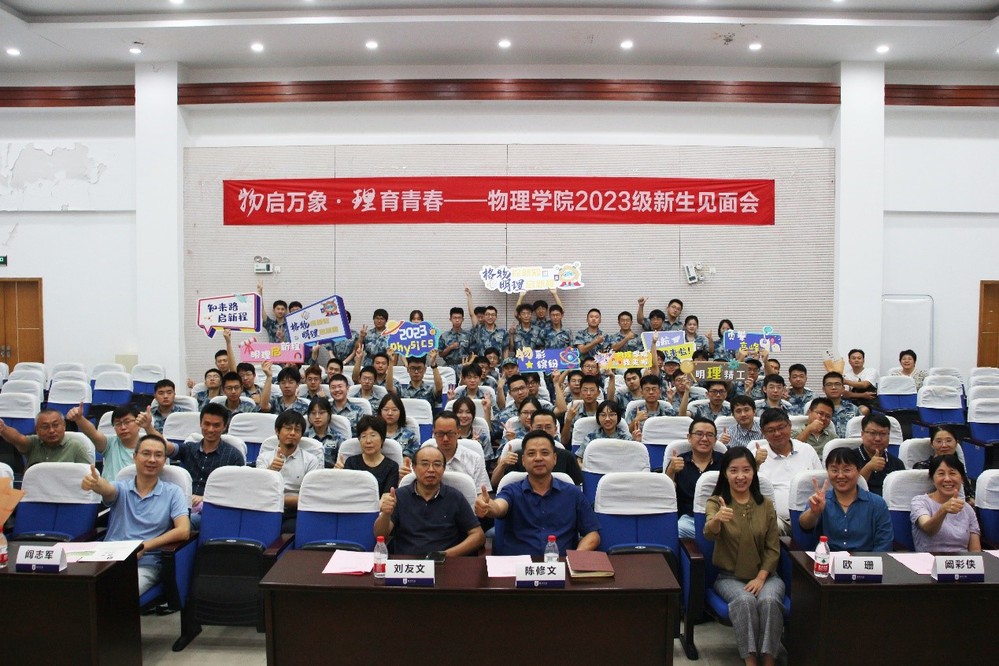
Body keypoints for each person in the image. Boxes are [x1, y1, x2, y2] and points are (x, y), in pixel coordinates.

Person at [80, 434, 190, 595]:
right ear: (135, 457)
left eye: (158, 455)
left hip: (145, 563)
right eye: (146, 453)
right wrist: (97, 484)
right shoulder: (121, 487)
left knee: (117, 593)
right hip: (108, 559)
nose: (152, 460)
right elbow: (108, 489)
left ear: (165, 460)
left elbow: (183, 530)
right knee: (78, 589)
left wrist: (143, 547)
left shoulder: (173, 492)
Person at [704, 446, 783, 666]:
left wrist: (761, 577)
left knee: (769, 600)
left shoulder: (765, 504)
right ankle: (750, 661)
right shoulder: (716, 502)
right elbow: (709, 532)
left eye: (746, 470)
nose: (740, 476)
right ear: (725, 473)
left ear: (754, 472)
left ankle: (769, 660)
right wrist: (718, 519)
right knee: (745, 601)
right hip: (729, 577)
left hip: (767, 575)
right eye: (734, 470)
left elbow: (773, 548)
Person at [475, 430, 600, 556]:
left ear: (554, 458)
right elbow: (498, 506)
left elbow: (592, 534)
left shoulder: (573, 493)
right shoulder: (511, 490)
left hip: (561, 565)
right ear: (523, 460)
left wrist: (574, 558)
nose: (538, 458)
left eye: (545, 453)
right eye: (531, 453)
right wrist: (488, 506)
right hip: (517, 565)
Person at [373, 445, 485, 557]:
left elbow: (478, 535)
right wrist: (385, 515)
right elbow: (380, 535)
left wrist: (446, 555)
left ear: (444, 468)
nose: (431, 470)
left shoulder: (455, 497)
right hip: (407, 562)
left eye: (437, 464)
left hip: (444, 562)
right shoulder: (399, 496)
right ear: (414, 467)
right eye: (424, 464)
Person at [798, 447, 893, 552]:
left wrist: (872, 561)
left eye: (847, 470)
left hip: (866, 560)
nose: (840, 476)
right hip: (828, 559)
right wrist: (814, 513)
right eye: (834, 470)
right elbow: (804, 526)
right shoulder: (820, 500)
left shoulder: (877, 503)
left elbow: (884, 543)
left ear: (858, 471)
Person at [170, 403, 244, 529]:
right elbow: (166, 448)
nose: (210, 429)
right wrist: (149, 428)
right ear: (200, 423)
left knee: (183, 522)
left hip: (212, 508)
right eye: (207, 424)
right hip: (183, 504)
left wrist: (205, 498)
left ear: (225, 427)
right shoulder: (189, 448)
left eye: (216, 425)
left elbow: (235, 492)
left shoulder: (234, 456)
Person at [757, 409, 822, 535]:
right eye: (771, 430)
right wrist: (756, 464)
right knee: (769, 523)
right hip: (778, 520)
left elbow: (820, 483)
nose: (777, 433)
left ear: (790, 426)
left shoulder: (807, 450)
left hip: (810, 515)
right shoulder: (757, 455)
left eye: (781, 428)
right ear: (762, 432)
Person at [256, 410, 322, 532]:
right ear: (277, 431)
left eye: (297, 430)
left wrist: (280, 500)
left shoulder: (311, 460)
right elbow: (259, 491)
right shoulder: (264, 458)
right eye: (288, 428)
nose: (292, 433)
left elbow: (311, 497)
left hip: (296, 512)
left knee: (289, 530)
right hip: (267, 509)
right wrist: (271, 471)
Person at [491, 409, 582, 487]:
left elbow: (577, 487)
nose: (544, 431)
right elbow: (495, 484)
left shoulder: (567, 457)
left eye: (548, 427)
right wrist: (502, 464)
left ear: (555, 429)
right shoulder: (517, 456)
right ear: (531, 429)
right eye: (539, 427)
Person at [910, 454, 981, 553]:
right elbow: (928, 529)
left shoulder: (967, 509)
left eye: (952, 473)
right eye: (941, 474)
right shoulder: (920, 502)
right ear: (933, 479)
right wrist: (943, 510)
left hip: (962, 561)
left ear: (961, 479)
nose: (947, 479)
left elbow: (975, 550)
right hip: (930, 560)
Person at [667, 417, 724, 539]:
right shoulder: (678, 461)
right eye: (699, 434)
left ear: (715, 440)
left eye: (709, 435)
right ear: (689, 437)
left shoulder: (726, 461)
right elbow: (666, 493)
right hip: (688, 520)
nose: (704, 439)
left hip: (721, 516)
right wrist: (671, 471)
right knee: (673, 532)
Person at [67, 403, 142, 480]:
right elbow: (92, 433)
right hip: (109, 487)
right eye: (118, 424)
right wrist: (79, 419)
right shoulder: (110, 444)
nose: (123, 427)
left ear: (139, 424)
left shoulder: (147, 445)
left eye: (127, 422)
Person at [0, 409, 91, 468]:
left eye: (55, 425)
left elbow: (87, 475)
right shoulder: (33, 443)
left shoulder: (76, 446)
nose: (51, 431)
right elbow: (17, 438)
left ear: (64, 426)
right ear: (36, 430)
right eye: (45, 427)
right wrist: (3, 428)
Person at [427, 411, 491, 491]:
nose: (445, 439)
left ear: (458, 433)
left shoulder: (475, 459)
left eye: (450, 433)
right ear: (434, 434)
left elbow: (481, 493)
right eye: (440, 433)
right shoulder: (424, 459)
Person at [337, 415, 399, 496]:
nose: (368, 441)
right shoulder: (351, 462)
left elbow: (387, 497)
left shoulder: (392, 466)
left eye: (373, 435)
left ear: (382, 439)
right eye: (363, 436)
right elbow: (346, 492)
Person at [913, 426, 974, 501]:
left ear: (956, 443)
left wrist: (970, 500)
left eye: (948, 441)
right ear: (932, 444)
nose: (944, 445)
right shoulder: (921, 466)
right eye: (939, 441)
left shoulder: (958, 465)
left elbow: (969, 493)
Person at [856, 413, 904, 496]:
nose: (878, 439)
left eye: (883, 434)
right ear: (862, 434)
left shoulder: (897, 464)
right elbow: (850, 490)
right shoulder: (849, 459)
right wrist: (868, 468)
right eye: (872, 433)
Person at [304, 396, 344, 468]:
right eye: (313, 413)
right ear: (309, 416)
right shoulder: (304, 438)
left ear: (329, 415)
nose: (317, 416)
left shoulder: (338, 438)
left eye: (321, 413)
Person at [378, 394, 419, 461]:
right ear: (380, 412)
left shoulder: (410, 436)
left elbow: (410, 460)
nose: (390, 413)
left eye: (394, 410)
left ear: (401, 412)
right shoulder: (374, 434)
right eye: (386, 409)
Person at [452, 395, 491, 461]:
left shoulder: (482, 436)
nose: (464, 416)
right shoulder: (448, 435)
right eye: (460, 412)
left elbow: (487, 462)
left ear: (473, 415)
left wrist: (477, 448)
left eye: (468, 412)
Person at [821, 371, 859, 438]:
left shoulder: (853, 409)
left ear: (843, 388)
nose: (833, 387)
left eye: (837, 384)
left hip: (849, 443)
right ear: (824, 389)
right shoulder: (818, 409)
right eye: (829, 384)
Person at [842, 348, 878, 414]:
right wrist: (862, 395)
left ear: (863, 360)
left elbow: (865, 385)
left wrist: (845, 381)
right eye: (853, 358)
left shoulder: (871, 371)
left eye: (859, 358)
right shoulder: (846, 375)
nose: (856, 360)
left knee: (863, 410)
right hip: (852, 402)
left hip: (870, 402)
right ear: (849, 361)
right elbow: (845, 394)